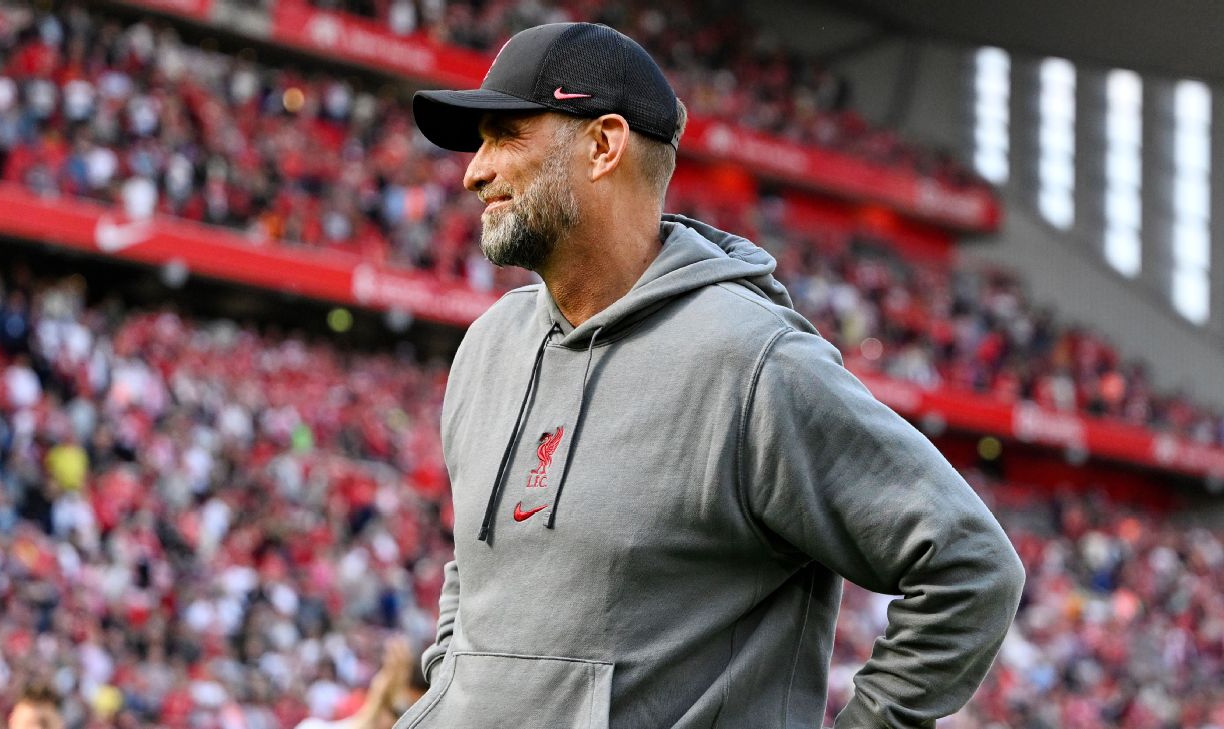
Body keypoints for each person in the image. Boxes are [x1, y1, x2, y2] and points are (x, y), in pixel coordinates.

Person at [402, 21, 1026, 729]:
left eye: (505, 137)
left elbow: (970, 567)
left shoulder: (754, 362)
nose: (473, 171)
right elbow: (473, 570)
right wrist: (446, 693)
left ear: (603, 146)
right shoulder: (487, 345)